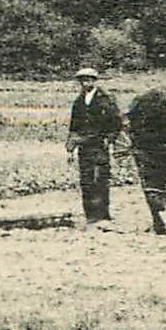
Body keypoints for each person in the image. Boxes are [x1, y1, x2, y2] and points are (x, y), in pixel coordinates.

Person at [66, 66, 122, 225]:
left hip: (99, 145)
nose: (85, 83)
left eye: (88, 80)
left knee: (100, 178)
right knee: (86, 179)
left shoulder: (106, 99)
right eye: (82, 80)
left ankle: (103, 214)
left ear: (94, 81)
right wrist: (70, 147)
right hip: (83, 146)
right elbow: (73, 125)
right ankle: (90, 215)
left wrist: (109, 139)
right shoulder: (78, 101)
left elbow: (116, 122)